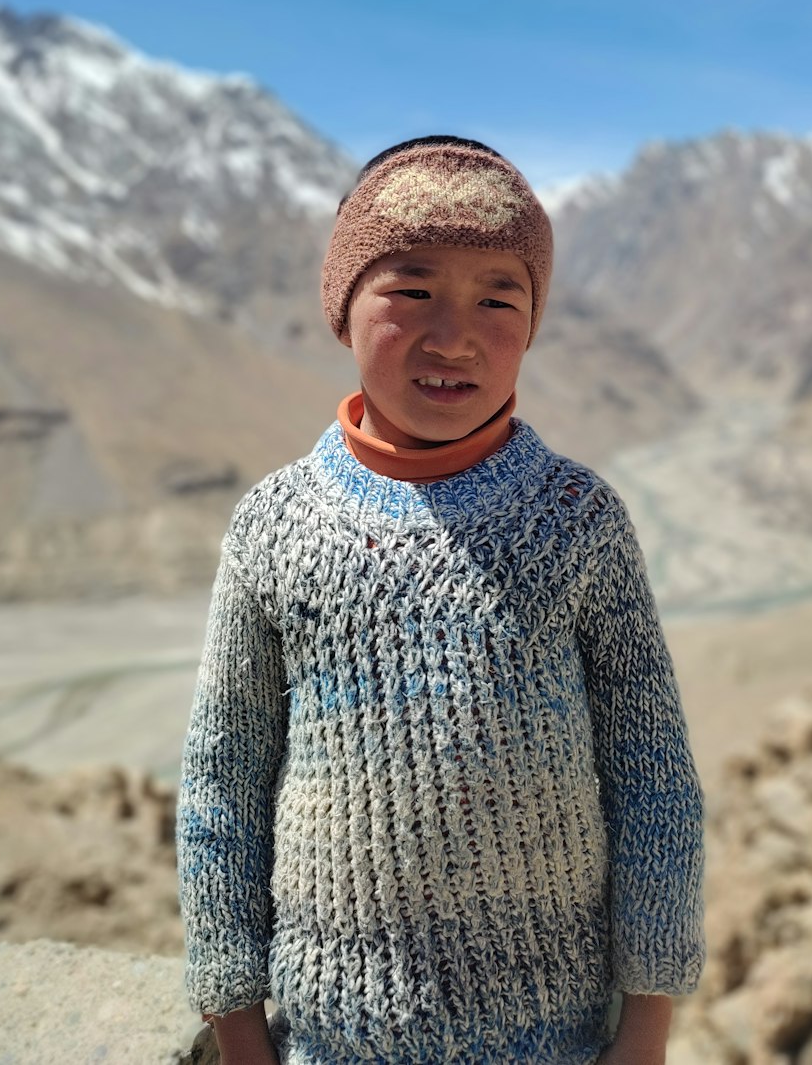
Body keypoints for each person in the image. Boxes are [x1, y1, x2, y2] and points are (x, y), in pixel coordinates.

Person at [177, 136, 705, 1065]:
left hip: (558, 1043)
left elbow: (652, 776)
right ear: (344, 309)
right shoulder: (273, 526)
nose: (455, 333)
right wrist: (236, 1022)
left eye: (498, 297)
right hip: (332, 1045)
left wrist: (647, 1024)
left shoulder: (578, 522)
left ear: (534, 322)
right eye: (412, 290)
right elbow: (224, 779)